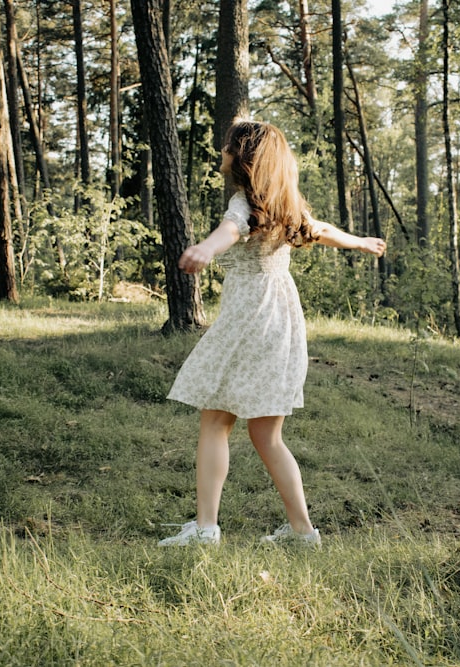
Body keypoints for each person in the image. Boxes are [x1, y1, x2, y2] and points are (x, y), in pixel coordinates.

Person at [159, 120, 386, 547]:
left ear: (241, 157)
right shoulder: (286, 205)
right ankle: (303, 533)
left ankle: (206, 529)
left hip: (250, 321)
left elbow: (229, 231)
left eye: (227, 144)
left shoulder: (245, 203)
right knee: (267, 435)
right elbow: (320, 231)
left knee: (215, 420)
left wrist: (205, 249)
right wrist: (359, 242)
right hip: (282, 323)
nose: (221, 149)